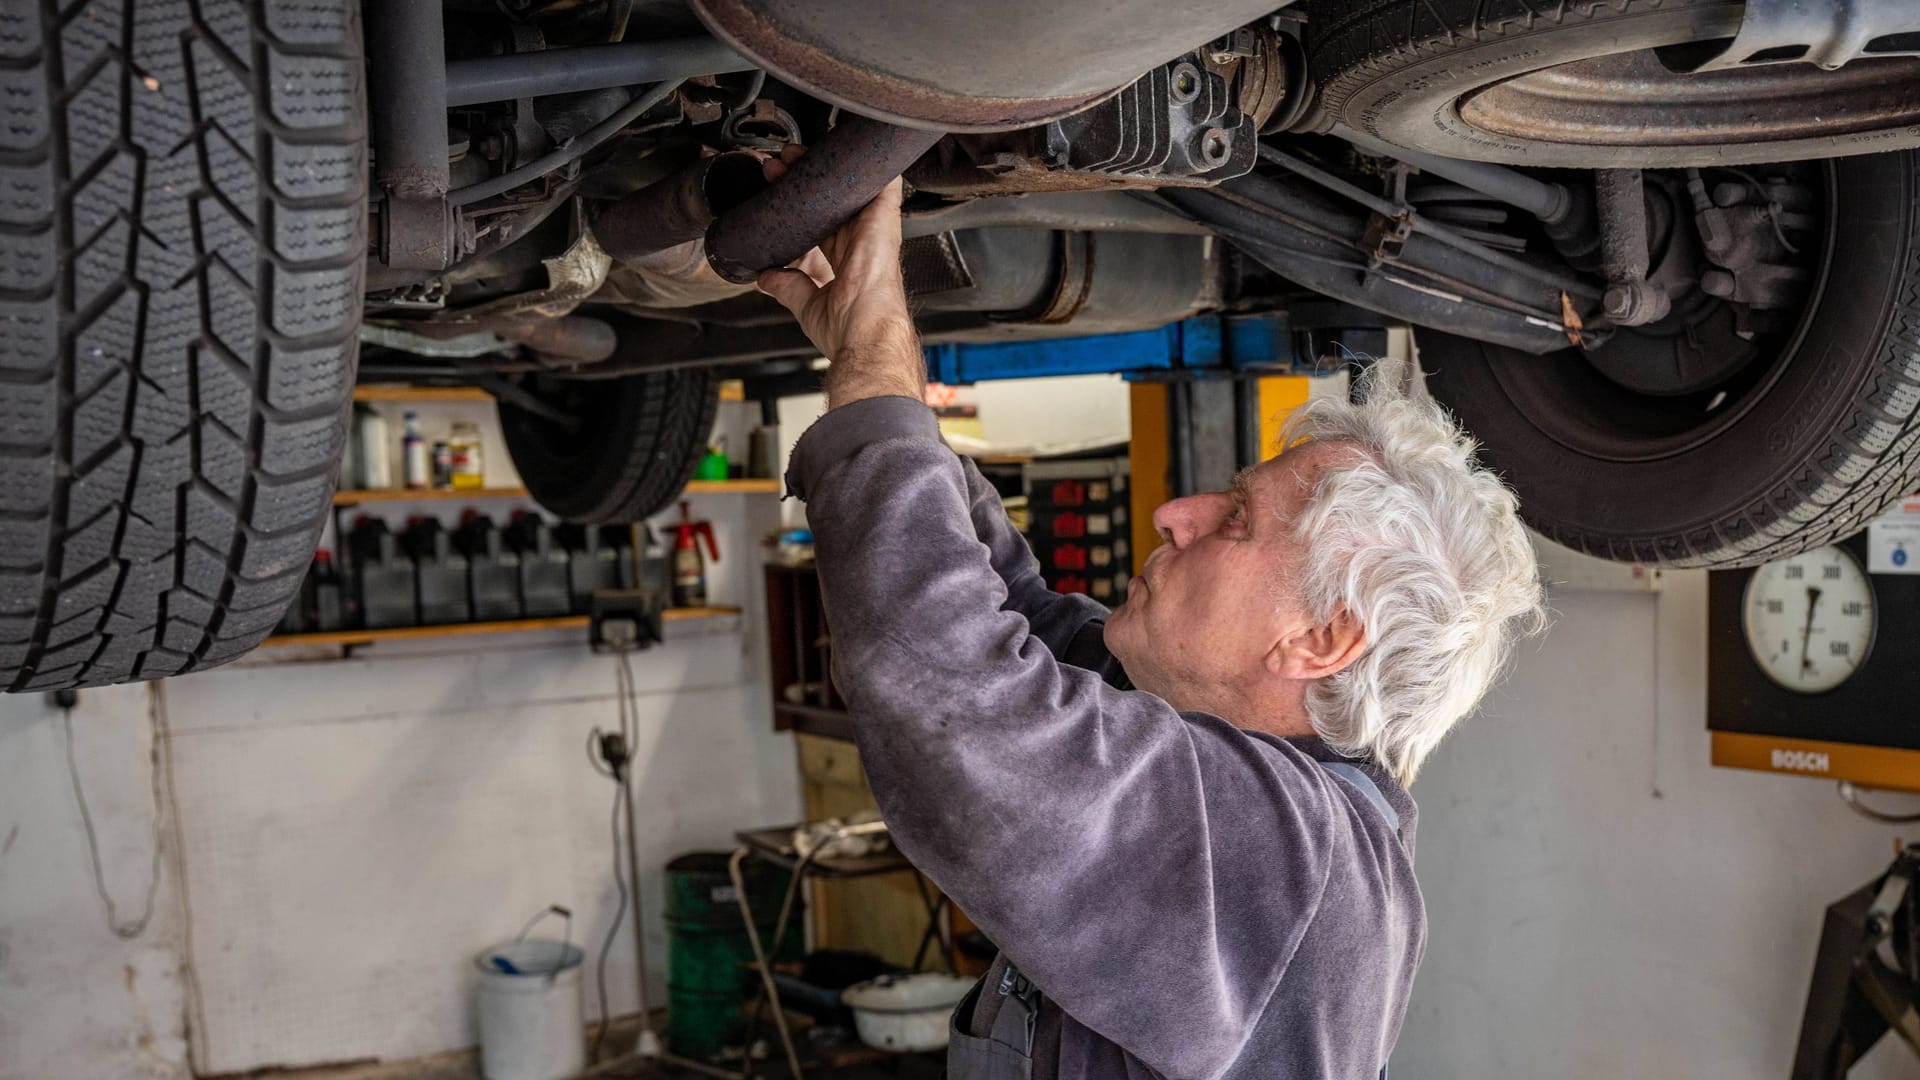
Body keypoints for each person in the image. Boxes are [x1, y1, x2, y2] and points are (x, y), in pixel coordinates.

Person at [760, 175, 1546, 1079]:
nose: (1177, 513)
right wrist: (877, 373)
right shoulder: (1234, 770)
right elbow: (1011, 619)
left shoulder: (1290, 854)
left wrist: (874, 369)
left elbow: (956, 694)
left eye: (1236, 521)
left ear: (1321, 639)